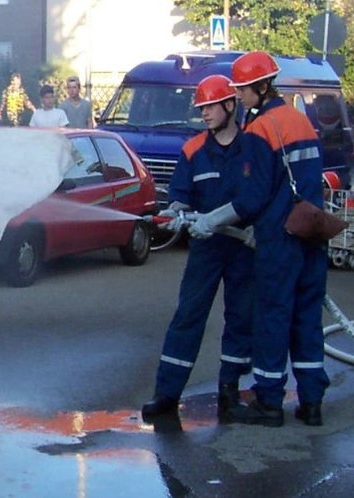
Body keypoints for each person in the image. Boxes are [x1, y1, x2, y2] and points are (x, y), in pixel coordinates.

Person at [188, 51, 330, 427]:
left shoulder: (260, 131)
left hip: (279, 241)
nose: (240, 95)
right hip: (311, 236)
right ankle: (311, 402)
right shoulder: (302, 121)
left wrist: (209, 220)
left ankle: (269, 401)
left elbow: (251, 199)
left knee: (272, 316)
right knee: (307, 318)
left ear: (261, 86)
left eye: (243, 88)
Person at [141, 75, 253, 422]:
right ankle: (167, 394)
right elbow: (181, 193)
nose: (204, 114)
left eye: (210, 107)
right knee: (188, 316)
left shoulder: (253, 147)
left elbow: (258, 196)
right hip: (206, 246)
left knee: (239, 318)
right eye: (201, 108)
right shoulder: (192, 150)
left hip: (243, 246)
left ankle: (230, 394)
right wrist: (174, 211)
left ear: (230, 105)